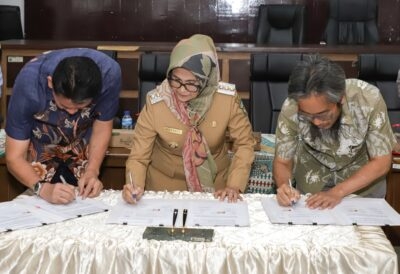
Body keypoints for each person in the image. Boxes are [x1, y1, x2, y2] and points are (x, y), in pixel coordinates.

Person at [122, 34, 255, 204]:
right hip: (164, 190)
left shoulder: (226, 99)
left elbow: (245, 144)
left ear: (207, 80)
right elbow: (139, 156)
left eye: (192, 83)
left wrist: (234, 185)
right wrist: (134, 185)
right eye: (176, 80)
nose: (182, 90)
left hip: (217, 191)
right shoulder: (157, 101)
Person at [273, 55, 397, 209]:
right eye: (307, 115)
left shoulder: (368, 100)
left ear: (341, 98)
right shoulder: (291, 107)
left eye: (323, 114)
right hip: (312, 187)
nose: (316, 122)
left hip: (362, 188)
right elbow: (283, 162)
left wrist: (337, 192)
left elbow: (381, 161)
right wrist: (285, 186)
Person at [5, 48, 121, 204]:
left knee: (83, 201)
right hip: (41, 142)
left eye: (80, 108)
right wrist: (43, 189)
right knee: (40, 207)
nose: (72, 113)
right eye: (64, 106)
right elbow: (14, 157)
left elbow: (101, 127)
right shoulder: (29, 84)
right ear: (50, 83)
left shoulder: (109, 75)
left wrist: (92, 171)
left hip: (84, 138)